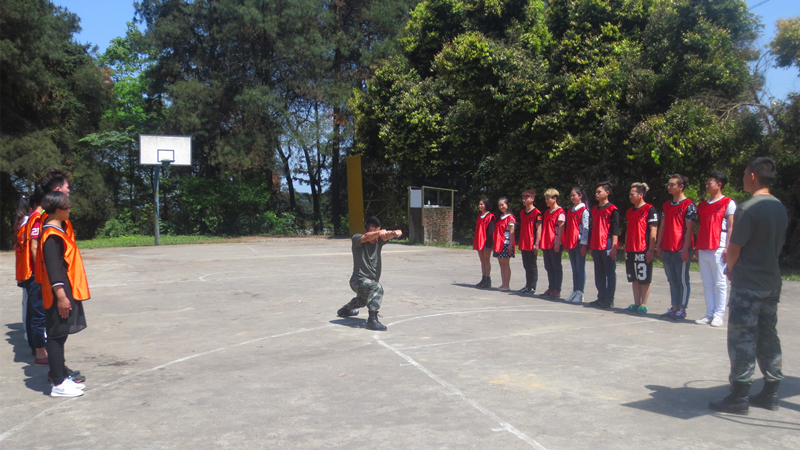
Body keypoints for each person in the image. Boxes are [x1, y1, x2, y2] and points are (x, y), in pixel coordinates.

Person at [709, 157, 788, 415]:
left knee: (742, 338)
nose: (743, 177)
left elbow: (733, 250)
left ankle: (739, 395)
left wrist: (731, 269)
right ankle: (771, 391)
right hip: (771, 281)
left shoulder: (748, 208)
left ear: (752, 176)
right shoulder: (779, 207)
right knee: (768, 335)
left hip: (748, 284)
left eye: (744, 173)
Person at [36, 192, 90, 398]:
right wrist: (61, 296)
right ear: (59, 210)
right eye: (67, 207)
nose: (70, 210)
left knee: (61, 334)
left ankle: (60, 376)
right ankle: (58, 383)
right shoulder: (51, 235)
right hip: (58, 291)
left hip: (65, 288)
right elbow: (53, 269)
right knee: (56, 335)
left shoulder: (59, 230)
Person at [336, 217, 402, 331]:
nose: (375, 237)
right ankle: (372, 320)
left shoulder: (378, 242)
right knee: (376, 288)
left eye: (377, 232)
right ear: (365, 231)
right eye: (372, 232)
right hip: (357, 280)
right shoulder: (357, 239)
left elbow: (385, 236)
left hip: (369, 282)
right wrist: (378, 233)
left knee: (362, 301)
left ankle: (345, 310)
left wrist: (394, 233)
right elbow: (367, 237)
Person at [695, 172, 736, 327]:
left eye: (709, 183)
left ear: (719, 185)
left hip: (719, 247)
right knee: (707, 283)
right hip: (703, 247)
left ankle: (719, 315)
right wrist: (697, 247)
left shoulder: (728, 203)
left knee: (720, 283)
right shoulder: (702, 205)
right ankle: (709, 313)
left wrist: (728, 247)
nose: (706, 186)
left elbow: (731, 226)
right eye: (706, 183)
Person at [656, 174, 696, 320]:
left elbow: (689, 229)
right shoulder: (666, 205)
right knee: (672, 279)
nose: (669, 187)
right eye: (669, 184)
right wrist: (658, 245)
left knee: (682, 280)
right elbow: (662, 226)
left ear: (681, 187)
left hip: (680, 248)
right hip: (667, 247)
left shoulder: (689, 205)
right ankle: (674, 307)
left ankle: (682, 308)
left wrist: (685, 249)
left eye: (672, 184)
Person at [15, 188, 48, 365]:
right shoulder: (36, 219)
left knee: (31, 312)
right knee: (38, 315)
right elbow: (34, 247)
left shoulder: (25, 221)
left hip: (26, 272)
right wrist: (42, 270)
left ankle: (35, 346)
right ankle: (40, 352)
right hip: (34, 273)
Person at [623, 183, 658, 314]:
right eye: (629, 194)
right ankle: (636, 303)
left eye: (632, 194)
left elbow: (653, 229)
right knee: (634, 278)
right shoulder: (629, 211)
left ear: (641, 195)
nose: (630, 196)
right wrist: (626, 248)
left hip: (643, 248)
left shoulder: (649, 209)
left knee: (644, 277)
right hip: (631, 249)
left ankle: (644, 304)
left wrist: (651, 249)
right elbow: (628, 230)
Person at [587, 181, 619, 309]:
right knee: (599, 273)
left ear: (607, 193)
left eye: (599, 192)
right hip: (596, 244)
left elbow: (615, 229)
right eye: (596, 192)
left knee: (609, 272)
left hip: (607, 243)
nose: (597, 194)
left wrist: (614, 246)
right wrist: (591, 246)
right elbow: (593, 227)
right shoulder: (595, 209)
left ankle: (609, 299)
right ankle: (601, 296)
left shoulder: (612, 209)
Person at [564, 188, 590, 303]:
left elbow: (586, 228)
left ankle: (580, 292)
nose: (572, 197)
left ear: (580, 196)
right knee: (574, 269)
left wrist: (584, 244)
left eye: (574, 195)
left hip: (579, 243)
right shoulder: (570, 210)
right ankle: (575, 291)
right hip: (571, 243)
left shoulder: (584, 210)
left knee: (580, 268)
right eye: (571, 196)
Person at [540, 189, 565, 298]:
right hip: (546, 242)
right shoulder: (547, 212)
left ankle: (557, 289)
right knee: (548, 266)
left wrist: (558, 243)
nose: (546, 201)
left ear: (554, 199)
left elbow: (561, 228)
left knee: (556, 266)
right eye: (545, 199)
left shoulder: (560, 212)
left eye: (548, 199)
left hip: (554, 242)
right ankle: (551, 287)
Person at [517, 191, 542, 294]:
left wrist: (537, 243)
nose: (524, 200)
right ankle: (527, 285)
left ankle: (532, 286)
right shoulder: (522, 212)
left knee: (532, 265)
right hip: (524, 242)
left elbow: (539, 229)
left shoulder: (537, 213)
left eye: (526, 198)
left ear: (532, 199)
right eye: (523, 198)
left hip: (531, 242)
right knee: (526, 265)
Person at [493, 197, 517, 292]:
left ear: (507, 205)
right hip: (498, 243)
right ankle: (503, 283)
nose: (501, 207)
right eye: (499, 205)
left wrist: (511, 245)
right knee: (501, 265)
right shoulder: (500, 217)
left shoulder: (510, 218)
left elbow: (512, 233)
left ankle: (507, 285)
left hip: (506, 243)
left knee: (505, 264)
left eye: (502, 205)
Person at [473, 198, 496, 288]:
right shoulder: (479, 216)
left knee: (486, 260)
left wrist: (489, 243)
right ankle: (483, 278)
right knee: (482, 261)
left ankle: (488, 279)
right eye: (479, 204)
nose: (480, 206)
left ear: (486, 205)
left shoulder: (490, 216)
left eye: (482, 204)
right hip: (479, 241)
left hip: (486, 242)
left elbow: (491, 231)